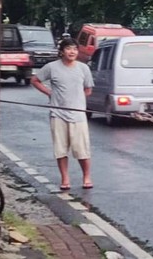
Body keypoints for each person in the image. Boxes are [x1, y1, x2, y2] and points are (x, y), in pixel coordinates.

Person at [31, 38, 95, 190]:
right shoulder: (51, 67)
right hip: (57, 114)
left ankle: (86, 177)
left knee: (82, 149)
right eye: (68, 49)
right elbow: (35, 80)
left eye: (74, 49)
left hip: (78, 115)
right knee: (60, 149)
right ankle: (65, 179)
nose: (72, 52)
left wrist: (77, 101)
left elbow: (88, 89)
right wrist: (49, 93)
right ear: (62, 51)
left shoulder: (83, 68)